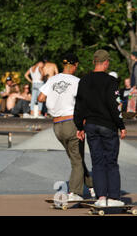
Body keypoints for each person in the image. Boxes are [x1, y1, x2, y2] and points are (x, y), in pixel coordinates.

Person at [74, 49, 127, 207]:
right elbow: (114, 105)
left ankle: (101, 197)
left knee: (97, 162)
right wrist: (121, 125)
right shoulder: (111, 81)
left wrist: (79, 126)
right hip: (107, 125)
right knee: (111, 161)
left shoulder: (84, 80)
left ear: (93, 62)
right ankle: (114, 197)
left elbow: (79, 105)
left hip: (90, 125)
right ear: (106, 63)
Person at [38, 53, 94, 201]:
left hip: (57, 126)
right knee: (77, 160)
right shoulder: (77, 81)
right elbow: (85, 102)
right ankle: (75, 192)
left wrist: (56, 100)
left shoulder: (52, 79)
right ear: (75, 65)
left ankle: (92, 186)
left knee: (76, 158)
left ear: (63, 65)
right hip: (71, 122)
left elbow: (40, 98)